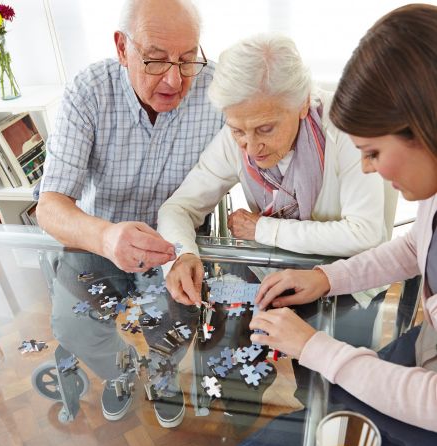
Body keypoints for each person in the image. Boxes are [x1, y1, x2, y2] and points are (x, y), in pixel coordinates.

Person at [191, 4, 437, 446]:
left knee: (314, 424)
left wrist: (316, 349)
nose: (367, 169)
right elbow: (412, 247)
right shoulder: (433, 189)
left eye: (374, 152)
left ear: (425, 127)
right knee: (315, 417)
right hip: (421, 351)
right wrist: (324, 277)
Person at [36, 0, 224, 425]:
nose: (175, 79)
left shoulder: (217, 89)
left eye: (187, 59)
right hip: (98, 234)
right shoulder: (88, 90)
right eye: (155, 60)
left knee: (178, 320)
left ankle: (162, 373)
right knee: (74, 325)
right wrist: (105, 237)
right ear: (123, 48)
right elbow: (49, 206)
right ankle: (118, 371)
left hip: (175, 242)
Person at [157, 33, 390, 307]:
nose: (252, 148)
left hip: (349, 287)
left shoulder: (347, 127)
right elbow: (178, 208)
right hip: (272, 277)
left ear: (303, 103)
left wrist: (263, 229)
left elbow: (364, 233)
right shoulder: (238, 135)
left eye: (265, 129)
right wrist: (182, 256)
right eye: (237, 130)